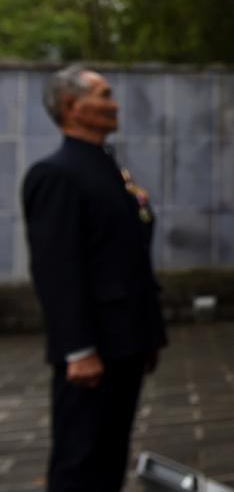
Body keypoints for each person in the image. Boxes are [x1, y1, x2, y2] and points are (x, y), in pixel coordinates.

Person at [22, 65, 167, 492]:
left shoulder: (106, 167)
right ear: (72, 106)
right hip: (93, 350)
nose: (114, 104)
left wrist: (148, 332)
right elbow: (56, 270)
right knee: (80, 460)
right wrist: (78, 349)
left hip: (126, 339)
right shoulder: (56, 174)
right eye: (104, 95)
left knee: (110, 455)